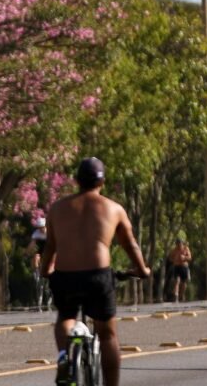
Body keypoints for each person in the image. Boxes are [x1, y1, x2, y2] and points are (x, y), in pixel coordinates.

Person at [40, 157, 150, 386]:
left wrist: (46, 269)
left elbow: (50, 246)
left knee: (65, 317)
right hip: (97, 276)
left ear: (77, 180)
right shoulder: (113, 208)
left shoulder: (57, 208)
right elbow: (130, 245)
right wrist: (142, 270)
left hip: (65, 276)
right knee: (107, 334)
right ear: (102, 182)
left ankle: (64, 358)